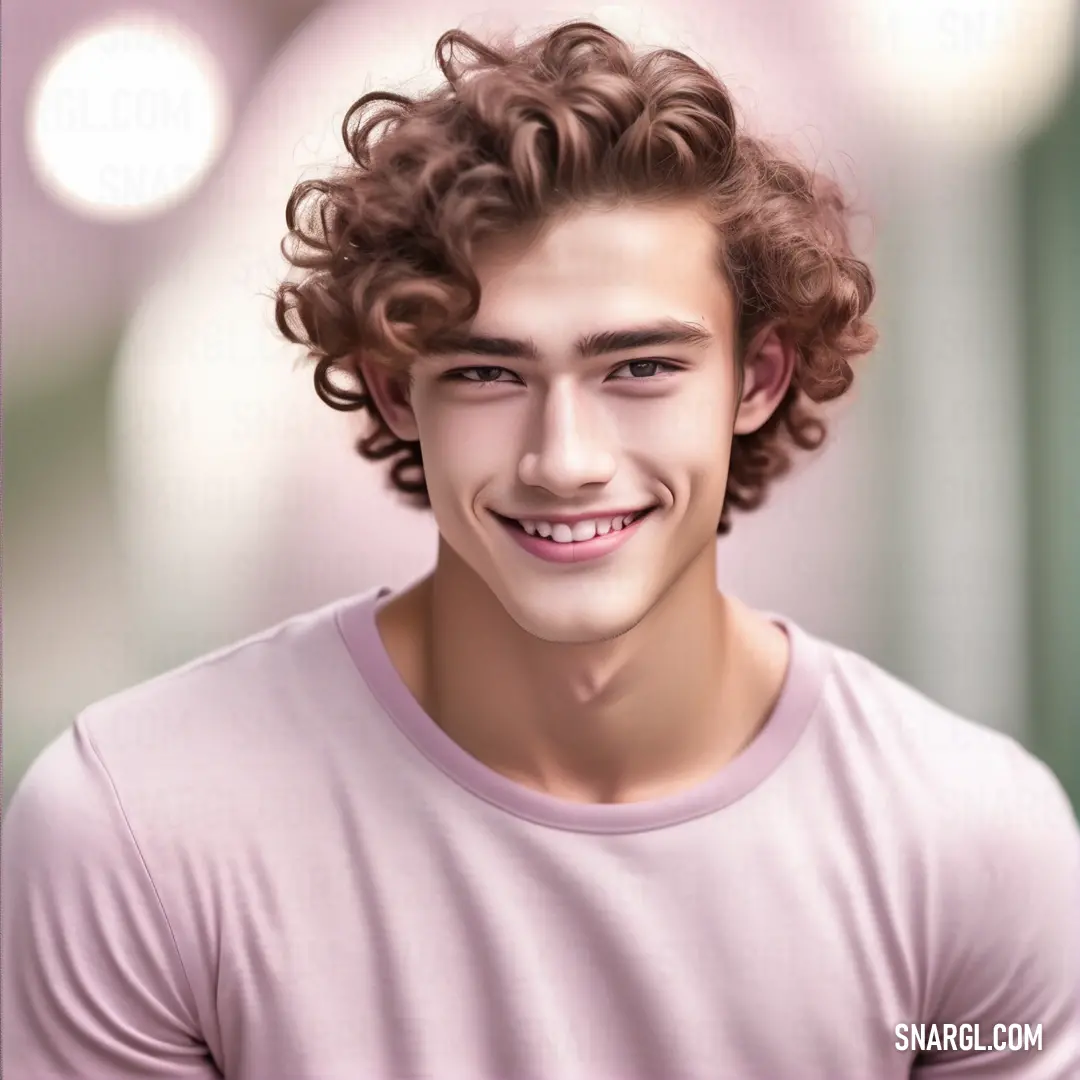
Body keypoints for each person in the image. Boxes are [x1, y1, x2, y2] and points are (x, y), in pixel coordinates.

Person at [3, 20, 1078, 1080]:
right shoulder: (137, 835)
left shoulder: (967, 846)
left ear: (757, 380)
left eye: (642, 368)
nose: (565, 458)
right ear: (393, 390)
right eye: (486, 374)